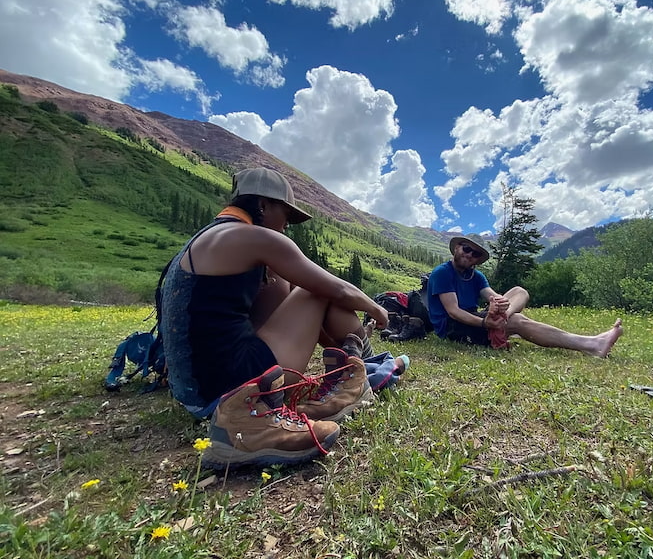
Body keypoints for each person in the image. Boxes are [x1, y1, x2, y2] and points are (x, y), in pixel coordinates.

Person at [160, 167, 389, 469]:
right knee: (317, 291)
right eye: (285, 216)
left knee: (283, 282)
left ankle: (355, 365)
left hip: (196, 395)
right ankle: (363, 366)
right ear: (263, 205)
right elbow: (338, 289)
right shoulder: (258, 239)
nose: (286, 227)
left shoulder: (208, 237)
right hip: (239, 393)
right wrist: (377, 310)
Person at [427, 236, 623, 356]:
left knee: (520, 291)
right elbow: (453, 312)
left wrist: (500, 305)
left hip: (476, 318)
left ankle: (503, 319)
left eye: (475, 254)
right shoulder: (442, 273)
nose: (469, 255)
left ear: (478, 260)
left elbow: (491, 295)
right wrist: (486, 323)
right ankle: (592, 345)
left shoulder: (476, 276)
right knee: (518, 321)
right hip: (452, 329)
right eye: (466, 249)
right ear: (456, 248)